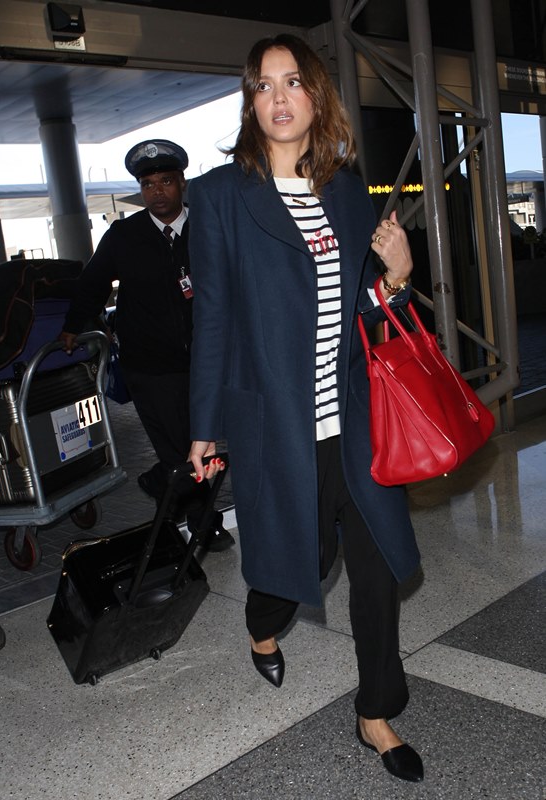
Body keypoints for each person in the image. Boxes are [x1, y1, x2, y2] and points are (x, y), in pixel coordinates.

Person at [188, 34, 424, 783]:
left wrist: (397, 278)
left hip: (356, 422)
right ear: (251, 102)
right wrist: (204, 428)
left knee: (377, 567)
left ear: (317, 97)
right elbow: (213, 319)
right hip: (278, 425)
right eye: (264, 85)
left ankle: (376, 712)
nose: (279, 97)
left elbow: (364, 310)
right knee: (302, 562)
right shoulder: (220, 197)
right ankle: (263, 626)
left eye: (293, 82)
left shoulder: (347, 193)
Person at [60, 138, 234, 552]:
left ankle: (162, 490)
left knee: (201, 443)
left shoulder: (207, 226)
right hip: (150, 368)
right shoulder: (124, 235)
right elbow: (92, 284)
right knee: (179, 450)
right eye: (148, 184)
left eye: (166, 182)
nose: (157, 191)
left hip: (205, 363)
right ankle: (203, 522)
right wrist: (72, 326)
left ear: (182, 183)